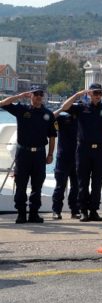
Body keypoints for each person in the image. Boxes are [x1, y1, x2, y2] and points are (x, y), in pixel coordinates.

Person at [0, 86, 57, 223]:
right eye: (35, 94)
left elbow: (52, 137)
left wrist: (50, 154)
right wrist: (20, 96)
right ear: (30, 95)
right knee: (21, 184)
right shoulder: (22, 110)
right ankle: (21, 213)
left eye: (40, 94)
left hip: (39, 154)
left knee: (37, 185)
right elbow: (2, 104)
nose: (38, 96)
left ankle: (33, 214)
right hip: (23, 153)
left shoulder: (48, 114)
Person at [59, 83, 102, 222]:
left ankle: (94, 210)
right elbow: (64, 107)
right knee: (83, 182)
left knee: (97, 182)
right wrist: (78, 95)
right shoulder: (81, 108)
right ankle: (83, 210)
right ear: (89, 94)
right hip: (84, 149)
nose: (97, 96)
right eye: (95, 93)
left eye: (100, 93)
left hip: (100, 150)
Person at [51, 107, 80, 219]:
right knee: (60, 186)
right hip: (63, 157)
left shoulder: (82, 120)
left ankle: (75, 210)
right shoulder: (62, 119)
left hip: (78, 157)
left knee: (76, 186)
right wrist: (63, 108)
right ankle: (56, 211)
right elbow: (52, 116)